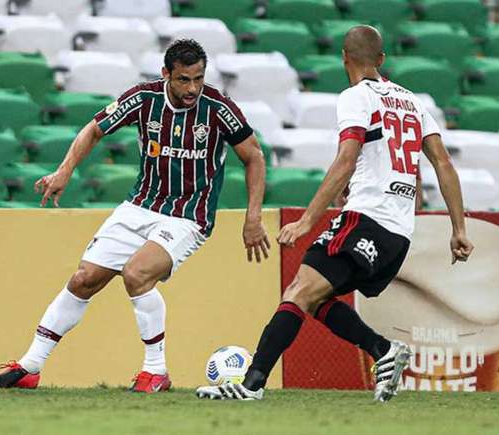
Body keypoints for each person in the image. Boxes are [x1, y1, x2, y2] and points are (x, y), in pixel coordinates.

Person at [196, 25, 474, 402]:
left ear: (344, 58)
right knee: (314, 297)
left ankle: (251, 385)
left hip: (367, 217)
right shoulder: (413, 102)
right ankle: (382, 350)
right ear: (382, 60)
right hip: (398, 233)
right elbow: (442, 162)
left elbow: (347, 158)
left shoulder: (355, 97)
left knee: (298, 291)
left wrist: (308, 220)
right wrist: (458, 228)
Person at [0, 39, 271, 392]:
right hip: (140, 206)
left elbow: (253, 156)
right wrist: (64, 171)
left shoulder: (218, 108)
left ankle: (156, 371)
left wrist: (252, 218)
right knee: (83, 279)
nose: (193, 88)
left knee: (136, 274)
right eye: (183, 79)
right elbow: (94, 128)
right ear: (166, 74)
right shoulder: (143, 98)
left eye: (198, 78)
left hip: (188, 215)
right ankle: (30, 366)